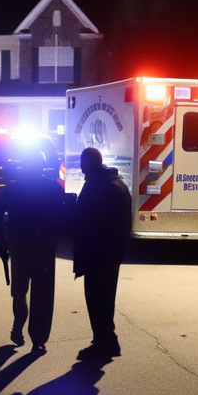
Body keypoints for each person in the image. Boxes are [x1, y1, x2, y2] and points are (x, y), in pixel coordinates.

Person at [0, 151, 66, 352]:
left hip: (20, 243)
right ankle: (38, 338)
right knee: (42, 291)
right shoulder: (52, 187)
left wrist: (0, 240)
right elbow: (64, 214)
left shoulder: (13, 188)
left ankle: (18, 326)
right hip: (44, 244)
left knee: (20, 289)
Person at [73, 147, 133, 361]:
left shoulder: (98, 186)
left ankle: (103, 343)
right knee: (106, 299)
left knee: (97, 299)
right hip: (111, 253)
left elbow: (86, 220)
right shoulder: (116, 182)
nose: (80, 168)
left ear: (87, 164)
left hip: (98, 254)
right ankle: (107, 340)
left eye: (82, 163)